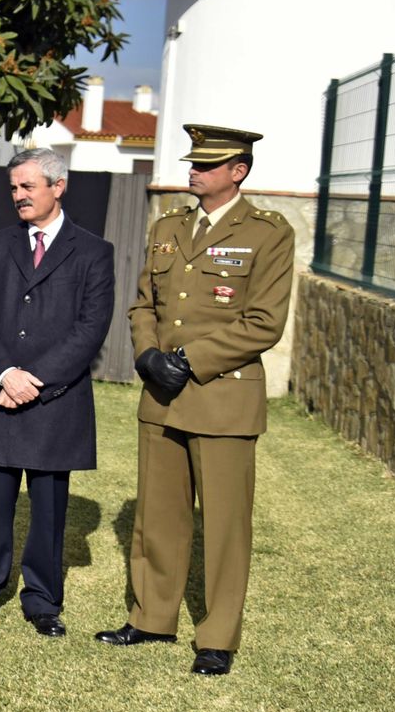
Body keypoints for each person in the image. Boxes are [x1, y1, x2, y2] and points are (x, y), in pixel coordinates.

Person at [97, 124, 293, 677]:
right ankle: (152, 616)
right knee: (157, 516)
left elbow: (263, 322)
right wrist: (147, 355)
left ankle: (217, 637)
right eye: (193, 163)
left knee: (226, 525)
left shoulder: (268, 232)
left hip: (221, 396)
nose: (194, 170)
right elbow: (143, 305)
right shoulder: (168, 226)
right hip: (162, 395)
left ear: (239, 171)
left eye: (208, 165)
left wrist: (187, 360)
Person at [0, 148, 114, 636]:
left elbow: (90, 329)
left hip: (57, 402)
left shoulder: (94, 251)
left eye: (27, 187)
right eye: (13, 188)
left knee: (49, 513)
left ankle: (42, 601)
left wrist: (33, 382)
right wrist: (5, 373)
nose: (18, 196)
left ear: (59, 186)